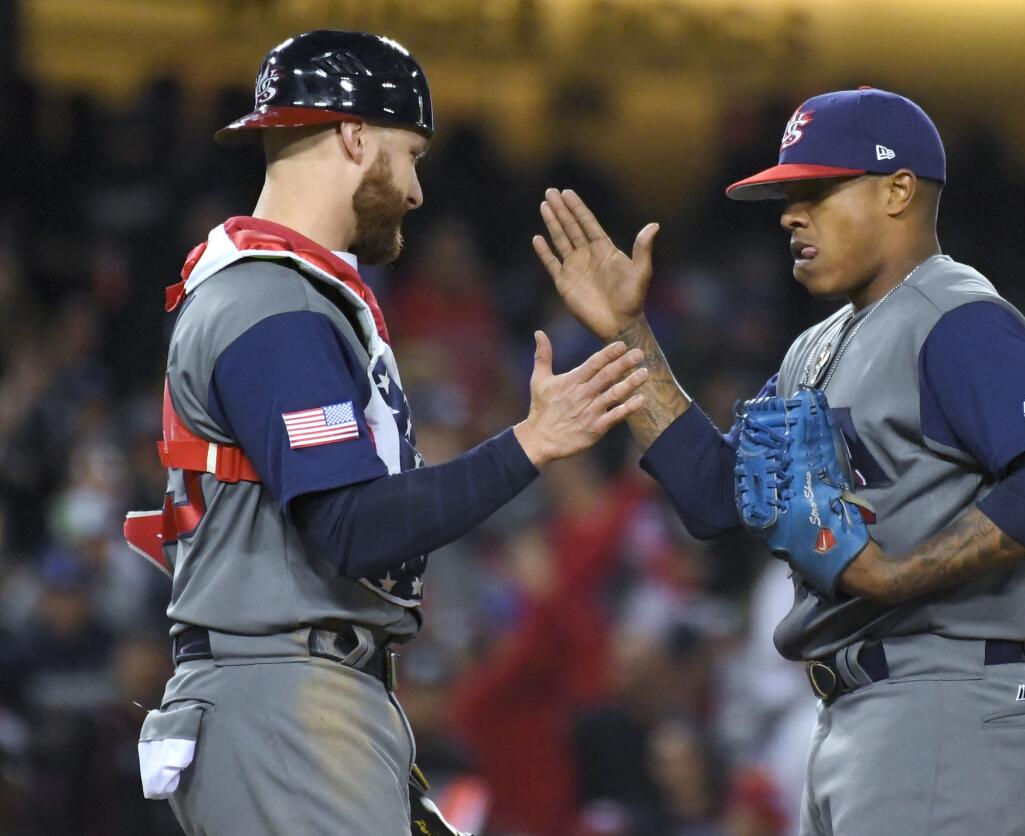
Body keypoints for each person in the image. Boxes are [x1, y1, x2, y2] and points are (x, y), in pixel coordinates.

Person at [533, 87, 1025, 835]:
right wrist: (627, 333)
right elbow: (713, 497)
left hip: (940, 699)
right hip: (853, 714)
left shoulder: (956, 316)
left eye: (818, 192)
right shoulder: (819, 343)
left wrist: (899, 575)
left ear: (900, 190)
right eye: (788, 197)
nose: (790, 216)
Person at [125, 30, 647, 835]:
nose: (415, 191)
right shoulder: (274, 303)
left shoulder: (273, 290)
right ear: (354, 135)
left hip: (301, 695)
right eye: (409, 156)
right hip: (285, 704)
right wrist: (531, 443)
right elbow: (355, 527)